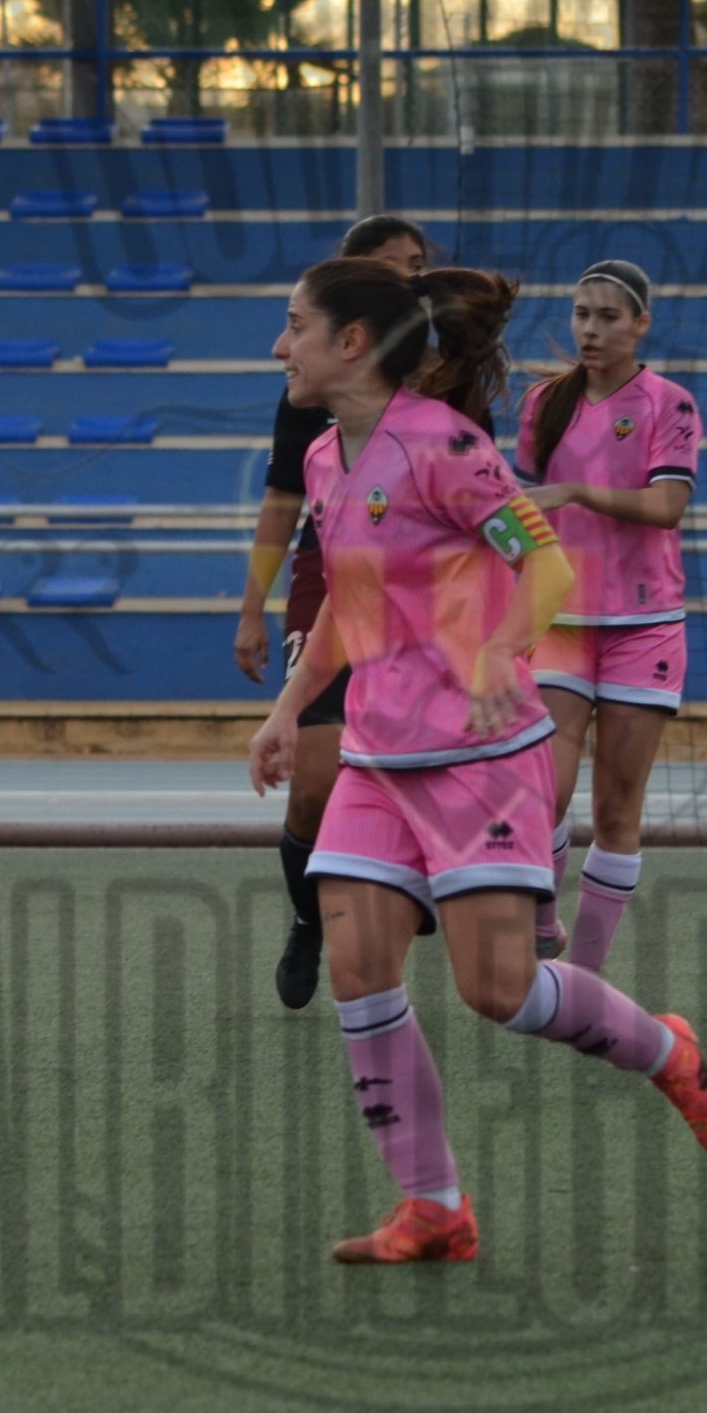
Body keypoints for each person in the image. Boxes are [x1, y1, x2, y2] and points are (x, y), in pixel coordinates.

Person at [248, 257, 707, 1267]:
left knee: (500, 991)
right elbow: (349, 600)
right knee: (357, 966)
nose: (278, 346)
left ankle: (669, 1052)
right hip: (378, 757)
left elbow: (546, 564)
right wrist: (288, 708)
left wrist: (493, 652)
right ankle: (434, 1205)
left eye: (294, 325)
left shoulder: (447, 446)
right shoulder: (326, 456)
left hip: (480, 760)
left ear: (352, 343)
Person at [238, 214, 434, 1010]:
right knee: (315, 782)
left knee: (410, 774)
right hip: (330, 583)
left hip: (421, 594)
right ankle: (308, 918)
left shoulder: (441, 401)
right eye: (393, 264)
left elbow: (518, 546)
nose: (410, 275)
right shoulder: (312, 403)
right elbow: (282, 504)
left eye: (418, 264)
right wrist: (252, 607)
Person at [517, 260, 701, 972]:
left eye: (607, 317)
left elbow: (667, 506)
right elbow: (523, 512)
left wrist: (575, 492)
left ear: (640, 325)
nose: (590, 329)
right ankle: (542, 921)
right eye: (580, 314)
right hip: (560, 622)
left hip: (644, 628)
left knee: (617, 808)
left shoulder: (670, 404)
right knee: (543, 791)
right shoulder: (544, 404)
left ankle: (582, 978)